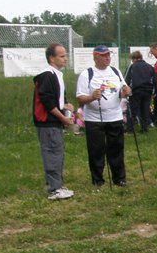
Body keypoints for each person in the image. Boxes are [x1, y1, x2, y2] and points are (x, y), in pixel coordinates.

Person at [76, 45, 131, 188]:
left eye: (108, 55)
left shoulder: (115, 71)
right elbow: (80, 99)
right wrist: (92, 97)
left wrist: (125, 91)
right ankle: (98, 180)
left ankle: (119, 179)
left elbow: (122, 90)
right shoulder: (87, 74)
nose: (107, 58)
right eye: (103, 55)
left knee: (117, 149)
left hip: (115, 117)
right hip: (94, 119)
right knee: (96, 151)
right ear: (95, 57)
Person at [33, 43, 75, 200]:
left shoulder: (57, 74)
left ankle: (57, 184)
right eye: (62, 56)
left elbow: (57, 100)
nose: (65, 59)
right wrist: (62, 117)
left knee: (57, 152)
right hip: (48, 122)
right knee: (51, 153)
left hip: (54, 121)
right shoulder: (47, 75)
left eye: (65, 55)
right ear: (52, 58)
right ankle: (54, 189)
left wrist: (66, 106)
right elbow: (47, 102)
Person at [124, 50, 155, 134]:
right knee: (145, 110)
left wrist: (126, 89)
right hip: (148, 92)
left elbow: (126, 79)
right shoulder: (149, 66)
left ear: (134, 59)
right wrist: (153, 91)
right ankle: (145, 129)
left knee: (132, 111)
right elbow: (154, 79)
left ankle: (130, 129)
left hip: (135, 91)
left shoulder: (132, 66)